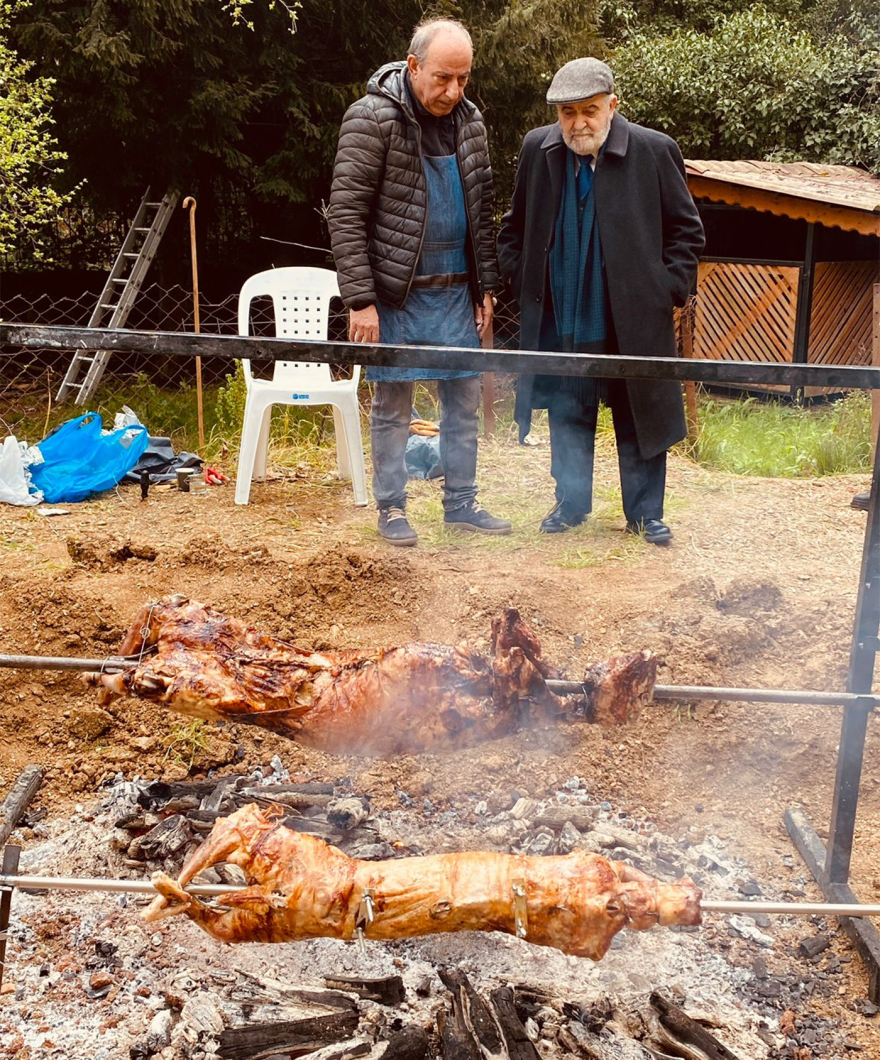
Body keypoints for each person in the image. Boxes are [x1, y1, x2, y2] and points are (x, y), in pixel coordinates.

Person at [497, 58, 705, 545]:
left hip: (632, 313)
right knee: (568, 407)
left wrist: (664, 290)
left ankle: (645, 513)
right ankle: (571, 504)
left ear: (613, 105)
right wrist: (520, 277)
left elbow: (686, 232)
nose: (578, 124)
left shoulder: (654, 151)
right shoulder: (539, 149)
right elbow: (514, 226)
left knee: (640, 410)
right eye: (567, 113)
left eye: (589, 110)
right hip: (561, 310)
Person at [328, 17, 510, 546]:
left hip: (457, 290)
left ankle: (461, 503)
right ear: (413, 67)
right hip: (395, 294)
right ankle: (391, 509)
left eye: (463, 80)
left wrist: (486, 289)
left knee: (464, 398)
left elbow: (482, 210)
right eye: (442, 78)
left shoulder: (470, 123)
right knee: (392, 405)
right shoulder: (372, 118)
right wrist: (360, 300)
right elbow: (345, 213)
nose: (453, 91)